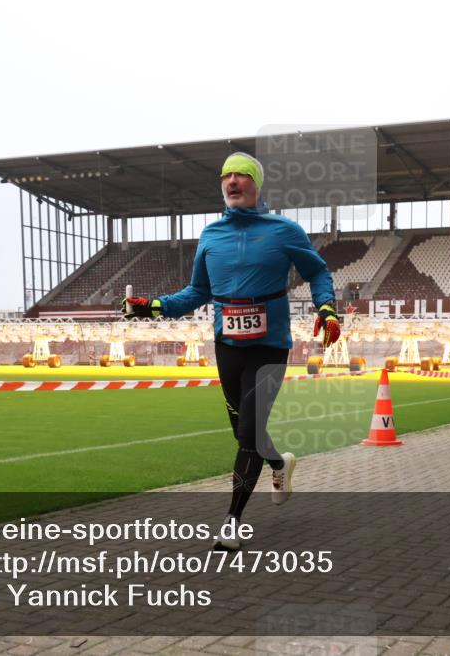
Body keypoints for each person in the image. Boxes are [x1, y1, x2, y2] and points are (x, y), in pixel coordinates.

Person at [122, 152, 338, 550]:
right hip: (227, 346)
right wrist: (154, 307)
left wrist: (326, 306)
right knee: (247, 433)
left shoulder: (283, 230)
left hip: (269, 347)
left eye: (242, 175)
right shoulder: (211, 236)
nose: (233, 181)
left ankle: (232, 522)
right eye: (226, 176)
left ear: (257, 186)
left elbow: (318, 271)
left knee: (248, 433)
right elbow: (198, 292)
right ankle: (279, 463)